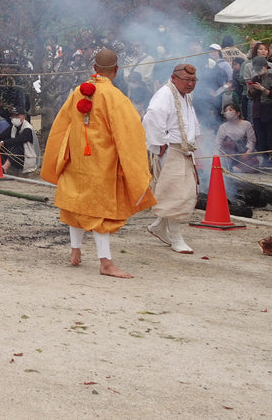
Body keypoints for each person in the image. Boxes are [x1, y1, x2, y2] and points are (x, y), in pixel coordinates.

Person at [40, 49, 154, 278]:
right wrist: (131, 161)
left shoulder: (77, 91)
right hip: (102, 162)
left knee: (76, 202)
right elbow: (130, 132)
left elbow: (61, 125)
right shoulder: (114, 97)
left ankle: (75, 250)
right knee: (100, 210)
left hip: (76, 159)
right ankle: (106, 263)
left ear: (94, 68)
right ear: (116, 70)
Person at [143, 63, 200, 255]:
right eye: (187, 80)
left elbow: (191, 121)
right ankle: (176, 237)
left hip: (184, 150)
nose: (190, 84)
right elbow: (151, 119)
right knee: (177, 195)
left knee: (177, 194)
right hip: (170, 150)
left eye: (193, 80)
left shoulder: (186, 96)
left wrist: (195, 141)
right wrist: (159, 144)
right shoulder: (165, 94)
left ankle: (159, 226)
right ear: (174, 78)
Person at [215, 101, 257, 172]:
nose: (228, 112)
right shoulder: (223, 127)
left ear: (238, 113)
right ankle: (231, 167)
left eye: (230, 110)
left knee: (254, 161)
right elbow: (218, 143)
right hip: (229, 155)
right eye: (226, 110)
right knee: (228, 144)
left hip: (243, 152)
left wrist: (247, 153)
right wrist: (216, 158)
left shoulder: (246, 124)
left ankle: (236, 168)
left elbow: (251, 141)